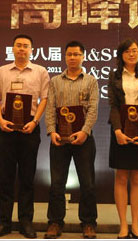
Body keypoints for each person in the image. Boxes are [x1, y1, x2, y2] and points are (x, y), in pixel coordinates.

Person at [0, 34, 50, 238]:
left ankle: (26, 222)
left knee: (27, 177)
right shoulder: (2, 71)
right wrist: (0, 120)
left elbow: (44, 99)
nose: (22, 49)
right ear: (12, 49)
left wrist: (35, 122)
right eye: (18, 45)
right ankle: (3, 222)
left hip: (29, 128)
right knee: (5, 177)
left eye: (25, 46)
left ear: (32, 50)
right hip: (6, 127)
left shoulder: (40, 71)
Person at [44, 41, 99, 239]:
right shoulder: (55, 81)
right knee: (57, 183)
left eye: (76, 54)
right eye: (69, 54)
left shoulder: (91, 81)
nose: (73, 57)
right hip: (60, 139)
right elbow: (50, 107)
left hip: (84, 139)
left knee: (87, 183)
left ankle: (88, 223)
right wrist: (51, 131)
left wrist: (84, 132)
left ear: (83, 56)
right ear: (65, 56)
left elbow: (93, 109)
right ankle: (55, 222)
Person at [107, 38, 138, 239]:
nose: (132, 54)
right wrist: (118, 131)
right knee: (121, 176)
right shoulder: (114, 75)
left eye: (135, 50)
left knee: (137, 177)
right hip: (120, 131)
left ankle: (135, 225)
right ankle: (123, 225)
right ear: (121, 55)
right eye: (127, 51)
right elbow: (113, 105)